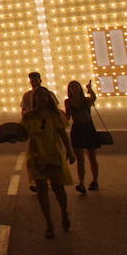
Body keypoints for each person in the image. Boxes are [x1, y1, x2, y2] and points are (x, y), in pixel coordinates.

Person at [23, 86, 75, 239]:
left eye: (45, 96)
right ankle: (49, 223)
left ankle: (64, 214)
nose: (42, 99)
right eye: (39, 96)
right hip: (36, 156)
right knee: (42, 190)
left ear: (49, 99)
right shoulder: (28, 116)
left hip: (53, 154)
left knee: (59, 189)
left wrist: (70, 151)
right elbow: (22, 134)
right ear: (35, 99)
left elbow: (62, 134)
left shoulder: (55, 115)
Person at [65, 79, 99, 193]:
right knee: (80, 159)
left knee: (92, 157)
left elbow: (94, 98)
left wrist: (90, 89)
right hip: (77, 129)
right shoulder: (68, 102)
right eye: (72, 87)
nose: (74, 88)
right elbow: (67, 117)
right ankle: (82, 183)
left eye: (76, 86)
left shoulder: (86, 100)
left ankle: (95, 181)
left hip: (88, 128)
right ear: (69, 90)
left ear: (80, 88)